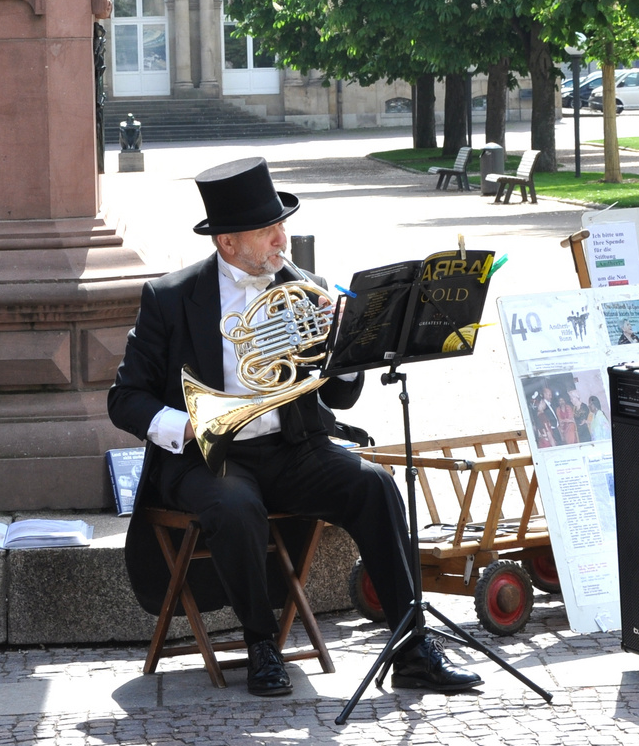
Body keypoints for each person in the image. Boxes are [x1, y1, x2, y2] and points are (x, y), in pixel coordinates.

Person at [108, 157, 480, 697]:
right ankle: (261, 643)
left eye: (282, 224)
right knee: (234, 507)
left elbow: (336, 395)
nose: (282, 239)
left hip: (292, 448)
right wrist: (186, 426)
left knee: (373, 483)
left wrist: (346, 346)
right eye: (268, 230)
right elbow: (125, 399)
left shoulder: (307, 287)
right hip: (209, 458)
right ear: (228, 242)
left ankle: (412, 645)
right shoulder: (170, 298)